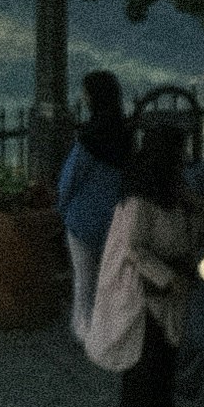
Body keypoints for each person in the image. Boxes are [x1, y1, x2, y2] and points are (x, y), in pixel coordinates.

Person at [84, 120, 204, 407]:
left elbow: (186, 229)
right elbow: (133, 249)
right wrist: (167, 277)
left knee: (166, 354)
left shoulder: (172, 189)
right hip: (142, 290)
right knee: (142, 362)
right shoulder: (138, 199)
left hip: (169, 286)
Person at [56, 73, 136, 348]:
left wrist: (62, 208)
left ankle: (86, 335)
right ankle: (110, 331)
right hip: (114, 219)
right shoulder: (125, 134)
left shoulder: (89, 138)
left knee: (84, 284)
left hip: (83, 221)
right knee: (108, 280)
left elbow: (70, 179)